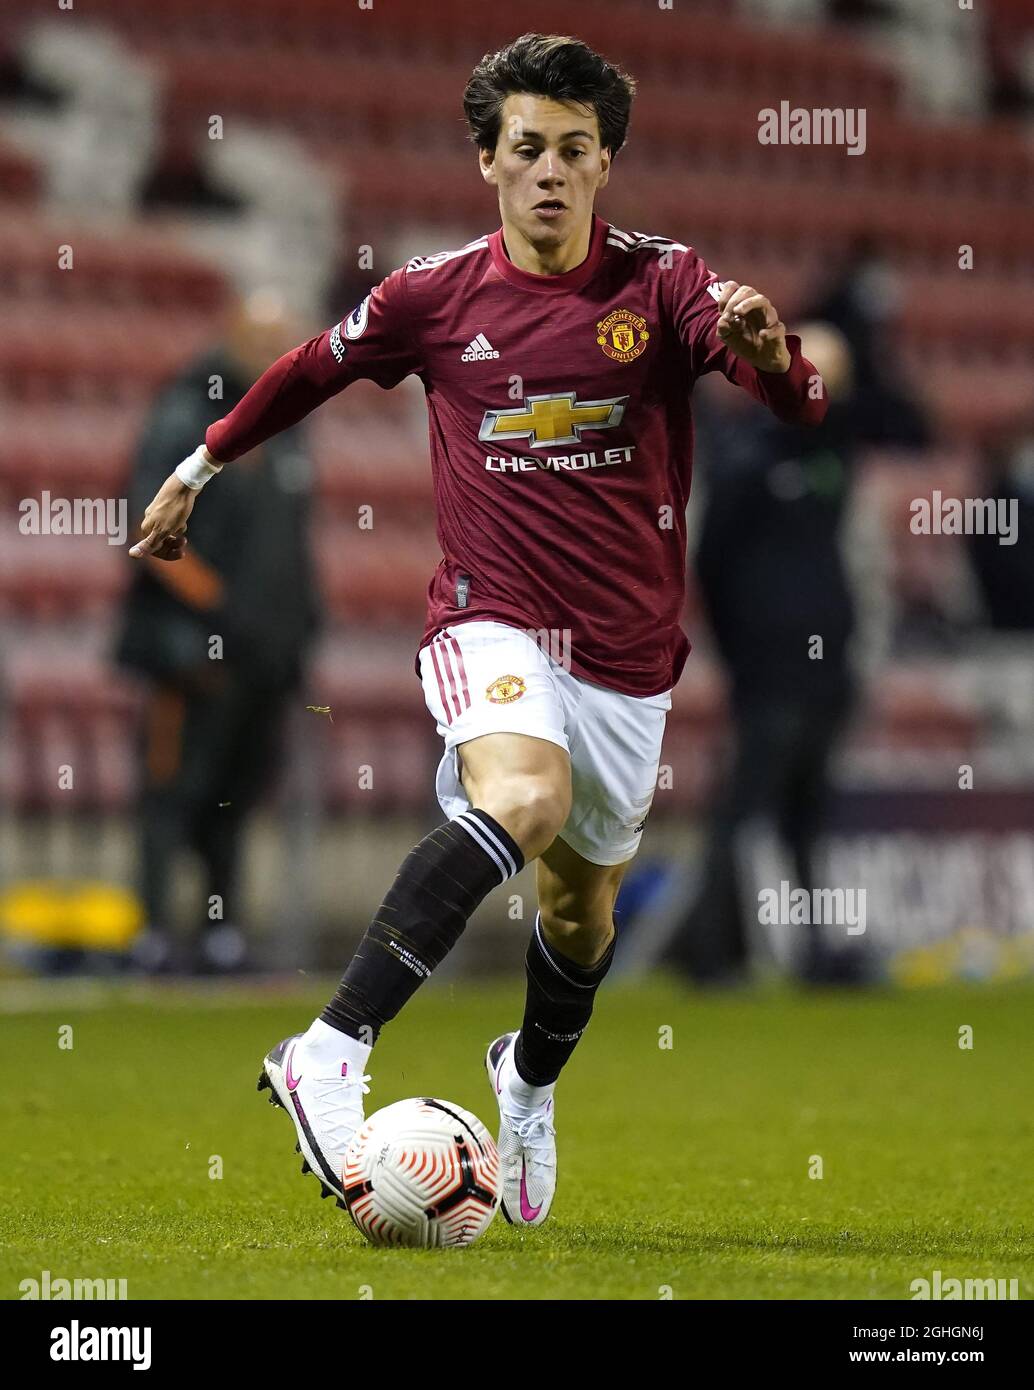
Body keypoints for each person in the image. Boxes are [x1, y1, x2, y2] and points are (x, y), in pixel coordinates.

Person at [128, 33, 826, 1224]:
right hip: (487, 617)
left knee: (577, 914)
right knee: (522, 798)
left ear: (604, 164)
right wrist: (201, 463)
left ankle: (528, 1080)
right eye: (525, 150)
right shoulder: (431, 297)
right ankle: (330, 1051)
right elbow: (308, 368)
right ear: (488, 164)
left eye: (571, 150)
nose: (548, 170)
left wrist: (774, 359)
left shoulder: (660, 283)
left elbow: (791, 400)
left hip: (626, 659)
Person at [117, 289, 319, 974]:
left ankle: (221, 933)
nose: (274, 351)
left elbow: (290, 541)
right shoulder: (187, 413)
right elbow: (146, 524)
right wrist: (217, 610)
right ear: (232, 337)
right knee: (174, 790)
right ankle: (150, 931)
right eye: (261, 338)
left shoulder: (289, 426)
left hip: (266, 654)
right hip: (191, 651)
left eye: (282, 338)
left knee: (238, 792)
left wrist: (299, 620)